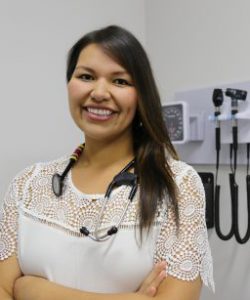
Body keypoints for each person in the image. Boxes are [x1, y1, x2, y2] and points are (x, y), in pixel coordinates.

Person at [0, 25, 214, 300]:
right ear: (69, 85)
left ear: (141, 95)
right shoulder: (27, 185)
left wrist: (34, 290)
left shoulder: (176, 185)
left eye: (120, 81)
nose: (99, 92)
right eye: (86, 76)